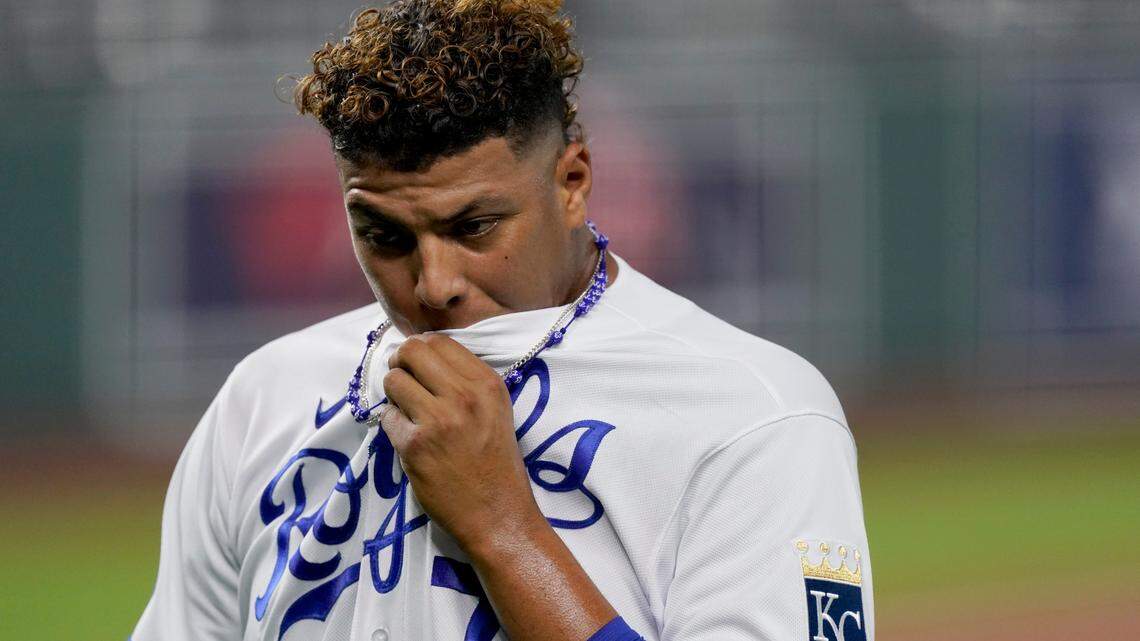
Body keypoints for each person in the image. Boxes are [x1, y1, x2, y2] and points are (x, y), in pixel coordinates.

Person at [132, 1, 874, 640]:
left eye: (475, 226)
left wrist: (506, 531)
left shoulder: (754, 417)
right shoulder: (264, 400)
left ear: (573, 182)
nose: (434, 283)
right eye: (385, 236)